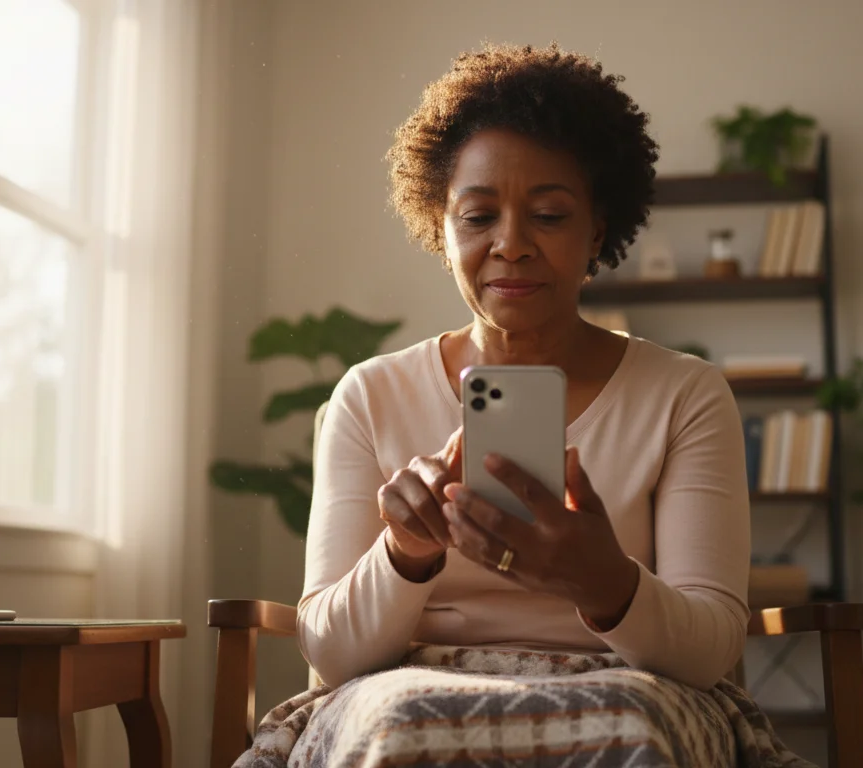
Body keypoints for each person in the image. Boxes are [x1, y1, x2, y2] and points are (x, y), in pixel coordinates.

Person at [241, 43, 803, 768]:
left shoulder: (683, 394)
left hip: (627, 690)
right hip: (407, 690)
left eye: (548, 214)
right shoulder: (371, 394)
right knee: (402, 720)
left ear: (597, 231)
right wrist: (405, 555)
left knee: (628, 724)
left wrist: (605, 583)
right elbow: (332, 650)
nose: (511, 245)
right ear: (441, 232)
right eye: (478, 218)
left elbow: (711, 647)